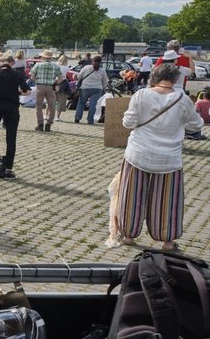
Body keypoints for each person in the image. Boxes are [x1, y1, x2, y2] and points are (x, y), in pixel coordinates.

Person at [116, 62, 204, 251]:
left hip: (138, 152)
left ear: (155, 76)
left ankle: (128, 234)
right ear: (175, 79)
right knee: (167, 200)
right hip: (168, 157)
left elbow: (128, 122)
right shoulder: (182, 99)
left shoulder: (141, 95)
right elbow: (196, 125)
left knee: (131, 195)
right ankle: (167, 241)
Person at [0, 54, 31, 179]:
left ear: (0, 63)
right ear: (12, 63)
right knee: (11, 139)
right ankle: (9, 169)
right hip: (11, 107)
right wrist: (15, 92)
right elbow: (26, 90)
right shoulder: (17, 75)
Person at [29, 49, 62, 131]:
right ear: (51, 58)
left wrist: (36, 81)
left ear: (43, 57)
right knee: (52, 106)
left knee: (39, 106)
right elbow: (61, 78)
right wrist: (55, 82)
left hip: (40, 86)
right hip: (50, 87)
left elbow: (32, 76)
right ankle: (49, 124)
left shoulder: (38, 65)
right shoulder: (56, 66)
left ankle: (40, 124)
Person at [74, 55, 109, 124]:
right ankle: (90, 120)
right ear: (100, 62)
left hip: (85, 88)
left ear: (92, 61)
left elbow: (79, 77)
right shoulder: (102, 70)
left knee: (81, 103)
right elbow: (105, 82)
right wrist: (102, 87)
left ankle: (77, 118)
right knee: (93, 105)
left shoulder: (86, 67)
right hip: (97, 89)